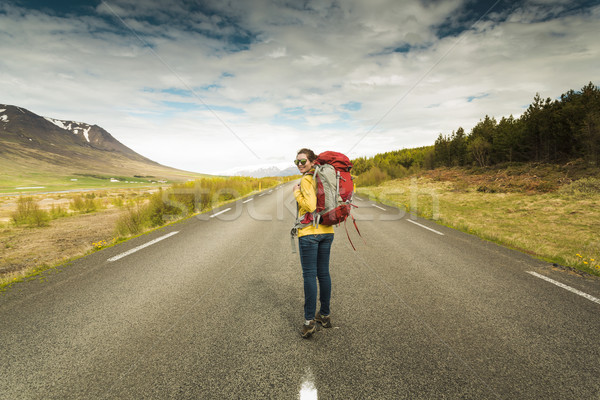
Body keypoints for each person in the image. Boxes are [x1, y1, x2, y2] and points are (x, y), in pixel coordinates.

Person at [293, 148, 335, 338]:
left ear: (312, 162)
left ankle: (309, 321)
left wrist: (297, 193)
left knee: (309, 275)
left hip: (310, 233)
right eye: (297, 162)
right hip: (327, 231)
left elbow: (310, 206)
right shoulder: (326, 177)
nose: (300, 165)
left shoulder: (307, 180)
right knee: (323, 273)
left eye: (303, 161)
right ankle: (324, 315)